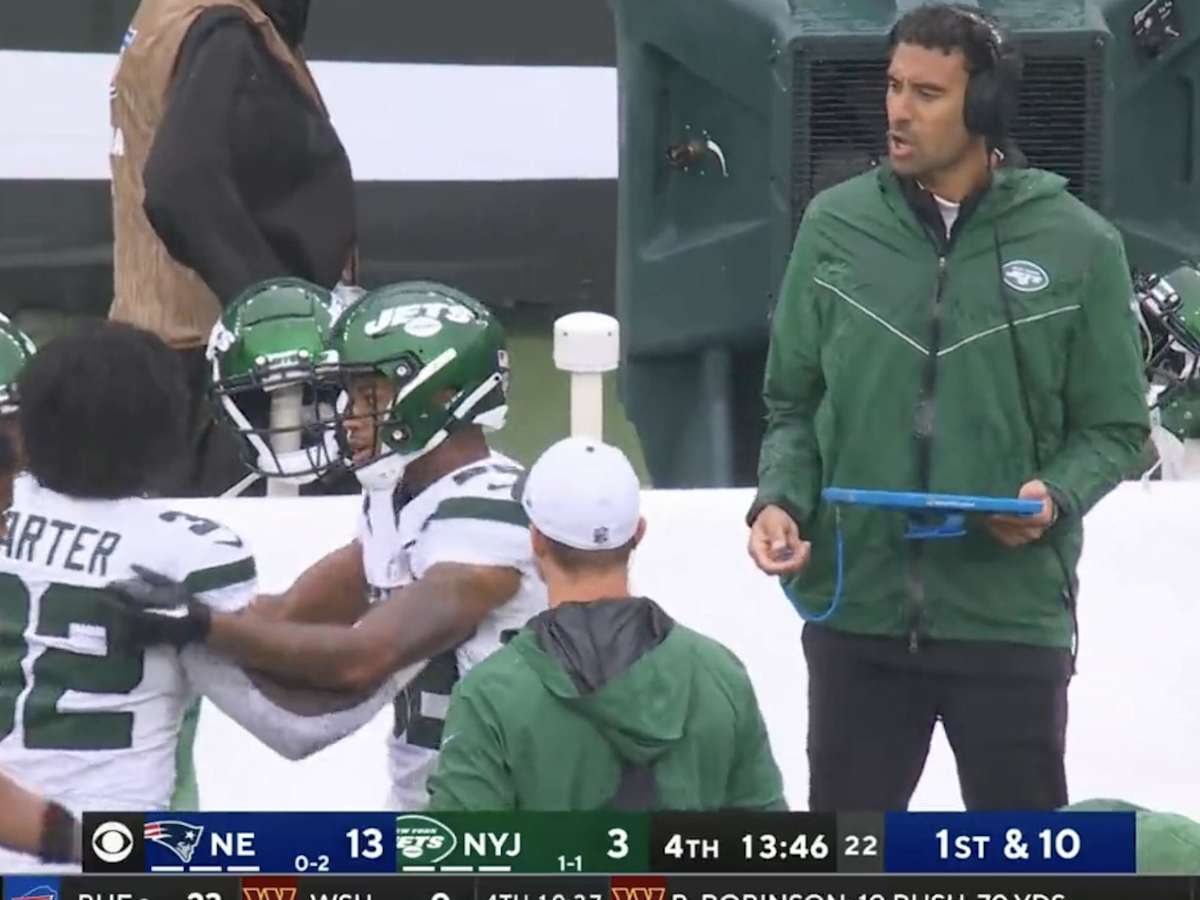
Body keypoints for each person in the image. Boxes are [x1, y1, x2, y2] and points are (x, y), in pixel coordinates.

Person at [746, 4, 1149, 812]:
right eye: (894, 86)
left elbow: (1116, 430)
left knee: (1019, 873)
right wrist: (779, 502)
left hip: (1009, 622)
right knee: (849, 867)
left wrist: (1055, 495)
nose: (899, 109)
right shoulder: (833, 225)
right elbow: (792, 403)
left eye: (927, 93)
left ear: (987, 104)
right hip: (856, 614)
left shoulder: (1082, 244)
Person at [107, 283, 548, 810]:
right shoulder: (401, 498)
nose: (349, 416)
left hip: (511, 818)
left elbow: (364, 659)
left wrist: (199, 623)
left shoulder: (491, 510)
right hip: (428, 804)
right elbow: (284, 615)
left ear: (442, 395)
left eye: (370, 394)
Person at [0, 323, 400, 871]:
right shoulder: (182, 552)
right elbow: (294, 727)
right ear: (164, 430)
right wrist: (409, 648)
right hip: (103, 849)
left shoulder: (7, 512)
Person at [426, 437, 785, 811]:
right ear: (639, 533)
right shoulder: (720, 673)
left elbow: (454, 856)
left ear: (535, 540)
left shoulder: (488, 695)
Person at [109, 0, 356, 496]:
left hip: (163, 346)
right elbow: (180, 184)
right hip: (218, 365)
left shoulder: (170, 13)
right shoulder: (221, 28)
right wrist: (272, 311)